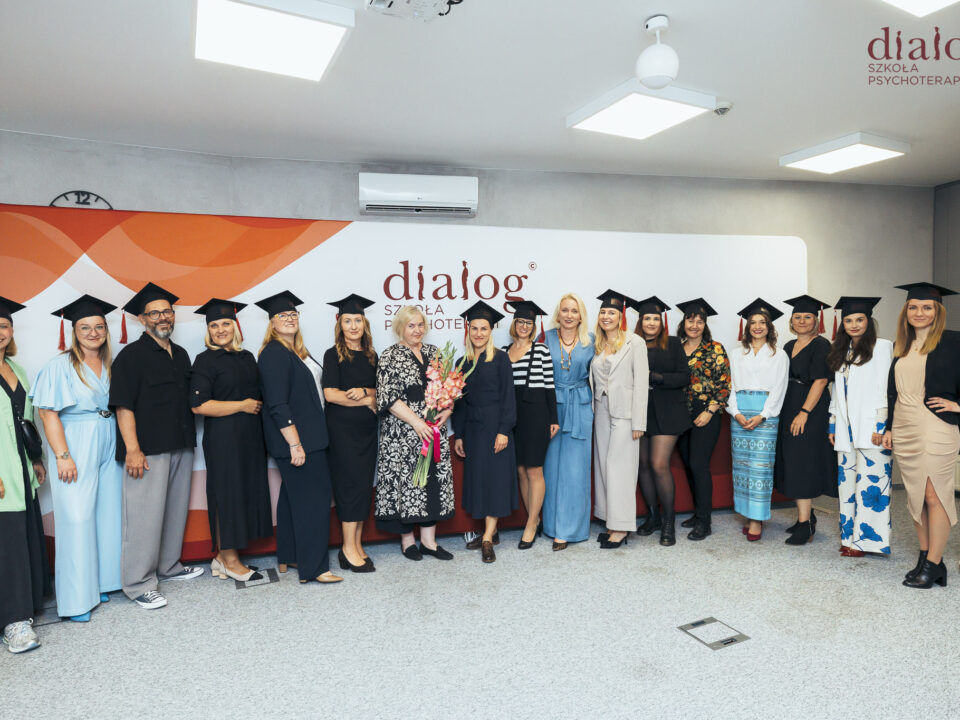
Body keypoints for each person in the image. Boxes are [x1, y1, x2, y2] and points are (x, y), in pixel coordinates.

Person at [110, 283, 204, 610]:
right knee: (144, 518)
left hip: (181, 443)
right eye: (154, 313)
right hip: (147, 450)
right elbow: (123, 406)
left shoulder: (181, 354)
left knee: (174, 511)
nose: (162, 317)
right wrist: (133, 449)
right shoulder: (131, 357)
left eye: (167, 312)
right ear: (142, 319)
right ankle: (138, 584)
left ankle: (169, 566)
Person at [32, 295, 122, 622]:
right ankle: (75, 600)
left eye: (99, 326)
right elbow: (47, 413)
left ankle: (102, 582)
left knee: (107, 513)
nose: (93, 333)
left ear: (106, 330)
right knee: (77, 517)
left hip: (108, 435)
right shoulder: (60, 365)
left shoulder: (112, 363)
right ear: (74, 331)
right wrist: (62, 456)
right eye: (85, 327)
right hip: (76, 439)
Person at [256, 291, 342, 584]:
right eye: (283, 315)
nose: (289, 319)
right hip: (298, 441)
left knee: (293, 500)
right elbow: (277, 404)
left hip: (311, 438)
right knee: (313, 503)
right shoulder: (273, 354)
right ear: (272, 322)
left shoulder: (297, 351)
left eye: (293, 315)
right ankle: (315, 568)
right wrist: (295, 443)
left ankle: (290, 555)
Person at [883, 282, 960, 589]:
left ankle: (934, 563)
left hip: (935, 425)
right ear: (906, 311)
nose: (919, 312)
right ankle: (926, 558)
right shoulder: (902, 345)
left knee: (934, 494)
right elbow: (893, 392)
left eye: (927, 307)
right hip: (904, 426)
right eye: (913, 307)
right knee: (916, 495)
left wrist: (958, 405)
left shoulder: (953, 341)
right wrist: (889, 427)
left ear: (938, 311)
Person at [191, 299, 270, 583]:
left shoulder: (246, 357)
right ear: (208, 331)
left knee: (243, 494)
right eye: (214, 325)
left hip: (250, 438)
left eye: (225, 323)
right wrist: (242, 405)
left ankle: (222, 559)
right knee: (227, 496)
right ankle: (231, 560)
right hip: (223, 439)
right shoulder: (205, 361)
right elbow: (199, 406)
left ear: (235, 326)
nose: (220, 329)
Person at [374, 305, 455, 561]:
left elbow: (448, 389)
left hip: (433, 431)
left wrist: (448, 409)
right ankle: (407, 542)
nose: (417, 330)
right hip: (403, 433)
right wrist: (418, 423)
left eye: (420, 325)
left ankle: (429, 543)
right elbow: (388, 398)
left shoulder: (435, 353)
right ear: (401, 328)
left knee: (431, 482)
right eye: (411, 325)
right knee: (407, 484)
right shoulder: (389, 356)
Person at [0, 297, 50, 654]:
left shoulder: (16, 369)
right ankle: (13, 623)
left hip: (20, 467)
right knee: (8, 545)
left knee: (22, 537)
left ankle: (27, 608)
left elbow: (26, 418)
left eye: (3, 326)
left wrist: (36, 459)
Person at [826, 297, 893, 557]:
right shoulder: (842, 352)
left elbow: (886, 389)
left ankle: (867, 541)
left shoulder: (882, 347)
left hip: (871, 429)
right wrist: (833, 423)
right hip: (846, 429)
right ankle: (848, 537)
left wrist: (881, 425)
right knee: (847, 486)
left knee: (871, 486)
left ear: (869, 321)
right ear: (843, 324)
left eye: (859, 319)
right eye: (848, 320)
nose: (854, 324)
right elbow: (837, 391)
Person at [453, 301, 518, 563]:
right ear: (468, 330)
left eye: (484, 329)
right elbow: (459, 403)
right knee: (480, 481)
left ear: (491, 331)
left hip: (495, 426)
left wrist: (504, 431)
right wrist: (459, 434)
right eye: (475, 328)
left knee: (495, 481)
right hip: (473, 429)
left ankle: (488, 537)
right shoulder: (462, 362)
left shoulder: (500, 358)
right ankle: (491, 531)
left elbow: (509, 398)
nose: (479, 333)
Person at [322, 294, 378, 574]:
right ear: (340, 324)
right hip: (342, 433)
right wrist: (364, 399)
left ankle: (356, 543)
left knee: (363, 486)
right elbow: (331, 395)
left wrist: (367, 392)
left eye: (358, 320)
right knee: (348, 488)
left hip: (367, 431)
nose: (353, 326)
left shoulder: (371, 355)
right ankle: (347, 547)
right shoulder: (333, 354)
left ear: (364, 324)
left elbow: (380, 393)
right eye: (348, 321)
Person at [775, 295, 836, 546]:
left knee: (802, 463)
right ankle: (807, 516)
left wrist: (804, 412)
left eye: (807, 317)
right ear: (791, 321)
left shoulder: (822, 345)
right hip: (789, 405)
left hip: (809, 408)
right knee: (791, 460)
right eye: (797, 317)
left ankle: (804, 525)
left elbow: (820, 381)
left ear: (816, 320)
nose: (802, 321)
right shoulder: (788, 345)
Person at [727, 299, 789, 541]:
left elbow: (779, 388)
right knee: (742, 467)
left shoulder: (779, 355)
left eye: (762, 322)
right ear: (747, 327)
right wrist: (735, 412)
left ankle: (756, 519)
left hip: (765, 415)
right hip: (740, 415)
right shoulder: (736, 353)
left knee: (760, 469)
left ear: (769, 326)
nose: (757, 326)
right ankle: (747, 513)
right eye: (753, 322)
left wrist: (763, 415)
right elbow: (730, 386)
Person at [590, 291, 648, 549]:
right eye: (603, 312)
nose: (606, 316)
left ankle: (622, 527)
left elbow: (642, 383)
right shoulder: (597, 343)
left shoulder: (635, 342)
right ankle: (610, 521)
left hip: (625, 412)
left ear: (621, 316)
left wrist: (639, 423)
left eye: (611, 313)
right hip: (601, 409)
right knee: (604, 465)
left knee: (620, 468)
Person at [633, 296, 688, 547]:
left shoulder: (673, 343)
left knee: (658, 464)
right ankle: (653, 517)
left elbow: (684, 377)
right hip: (640, 412)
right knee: (643, 464)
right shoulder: (631, 344)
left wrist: (657, 377)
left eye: (656, 319)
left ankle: (668, 521)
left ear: (661, 322)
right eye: (647, 318)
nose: (652, 323)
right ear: (640, 321)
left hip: (668, 411)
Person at [674, 298, 730, 541]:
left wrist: (710, 411)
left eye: (699, 321)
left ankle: (705, 522)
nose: (694, 325)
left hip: (706, 411)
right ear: (683, 323)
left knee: (699, 464)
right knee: (689, 464)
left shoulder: (715, 349)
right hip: (680, 413)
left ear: (705, 325)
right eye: (690, 320)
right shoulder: (676, 348)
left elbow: (724, 383)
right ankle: (698, 513)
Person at [504, 300, 558, 550]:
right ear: (514, 323)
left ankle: (530, 525)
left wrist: (553, 418)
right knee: (520, 470)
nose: (524, 326)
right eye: (520, 322)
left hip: (536, 414)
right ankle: (533, 519)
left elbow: (549, 386)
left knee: (534, 469)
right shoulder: (504, 351)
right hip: (513, 415)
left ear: (533, 326)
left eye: (528, 323)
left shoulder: (541, 350)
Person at [542, 293, 594, 550]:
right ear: (558, 313)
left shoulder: (591, 341)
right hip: (551, 408)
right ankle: (551, 525)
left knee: (575, 471)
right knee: (551, 469)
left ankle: (569, 529)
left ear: (581, 315)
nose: (569, 315)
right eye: (565, 310)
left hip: (580, 407)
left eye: (574, 311)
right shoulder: (546, 338)